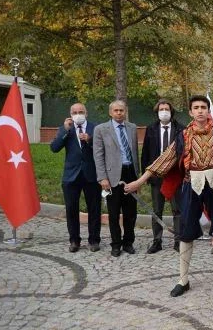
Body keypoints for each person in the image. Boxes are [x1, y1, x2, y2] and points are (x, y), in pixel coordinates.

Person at [124, 95, 213, 297]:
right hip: (191, 186)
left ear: (208, 110)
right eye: (196, 107)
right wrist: (139, 181)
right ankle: (183, 279)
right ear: (190, 112)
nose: (200, 110)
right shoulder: (183, 136)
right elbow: (164, 160)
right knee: (186, 232)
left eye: (203, 107)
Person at [50, 102, 101, 253]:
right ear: (70, 115)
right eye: (75, 112)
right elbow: (54, 148)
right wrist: (65, 130)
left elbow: (102, 148)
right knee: (71, 209)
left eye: (81, 112)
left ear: (86, 113)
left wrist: (89, 140)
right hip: (71, 176)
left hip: (91, 174)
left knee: (94, 208)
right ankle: (74, 240)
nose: (78, 115)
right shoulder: (65, 128)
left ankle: (94, 240)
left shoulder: (95, 128)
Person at [93, 100, 140, 257]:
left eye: (121, 110)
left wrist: (138, 177)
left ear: (125, 111)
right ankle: (116, 244)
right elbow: (98, 155)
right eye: (116, 110)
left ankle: (128, 242)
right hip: (112, 175)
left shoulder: (132, 128)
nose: (119, 113)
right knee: (113, 213)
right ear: (110, 112)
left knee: (130, 212)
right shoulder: (101, 129)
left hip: (130, 173)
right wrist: (102, 178)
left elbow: (135, 152)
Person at [140, 98, 184, 253]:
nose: (164, 112)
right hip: (156, 176)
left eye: (166, 109)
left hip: (174, 176)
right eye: (161, 109)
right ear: (157, 112)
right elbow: (145, 153)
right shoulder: (151, 129)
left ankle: (178, 241)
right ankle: (157, 241)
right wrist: (146, 176)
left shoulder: (181, 129)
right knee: (156, 211)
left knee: (177, 210)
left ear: (171, 111)